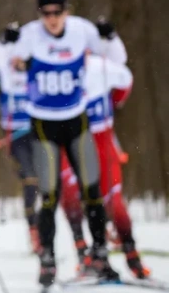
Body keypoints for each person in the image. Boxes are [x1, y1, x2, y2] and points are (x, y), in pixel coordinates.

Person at [9, 0, 119, 292]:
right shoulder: (31, 34)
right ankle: (48, 261)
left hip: (77, 120)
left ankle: (99, 256)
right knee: (50, 194)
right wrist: (6, 44)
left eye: (58, 12)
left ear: (66, 11)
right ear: (40, 14)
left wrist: (110, 36)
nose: (53, 19)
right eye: (47, 13)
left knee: (92, 189)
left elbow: (117, 56)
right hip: (44, 123)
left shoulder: (82, 30)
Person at [57, 45, 149, 279]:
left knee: (113, 201)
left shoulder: (102, 69)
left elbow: (124, 81)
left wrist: (114, 99)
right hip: (74, 145)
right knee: (72, 197)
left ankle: (132, 257)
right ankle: (87, 255)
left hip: (103, 144)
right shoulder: (61, 74)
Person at [0, 23, 41, 253]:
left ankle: (49, 233)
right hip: (15, 135)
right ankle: (35, 234)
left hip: (41, 131)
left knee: (50, 183)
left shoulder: (37, 70)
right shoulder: (3, 70)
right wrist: (2, 41)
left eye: (23, 59)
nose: (18, 63)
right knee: (30, 179)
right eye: (14, 58)